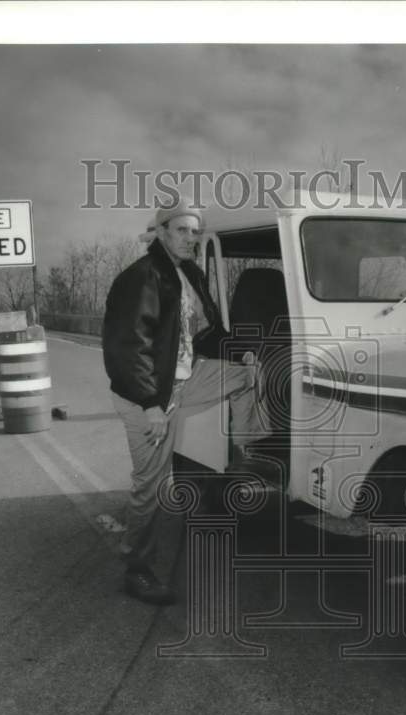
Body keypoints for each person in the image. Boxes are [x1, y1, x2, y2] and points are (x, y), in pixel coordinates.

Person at [102, 198, 270, 605]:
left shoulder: (188, 274)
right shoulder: (142, 277)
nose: (191, 238)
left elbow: (208, 333)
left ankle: (250, 450)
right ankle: (136, 570)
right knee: (153, 487)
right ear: (160, 231)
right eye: (182, 230)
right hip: (147, 396)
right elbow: (128, 348)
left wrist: (240, 351)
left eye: (196, 232)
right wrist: (150, 405)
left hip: (184, 379)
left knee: (249, 374)